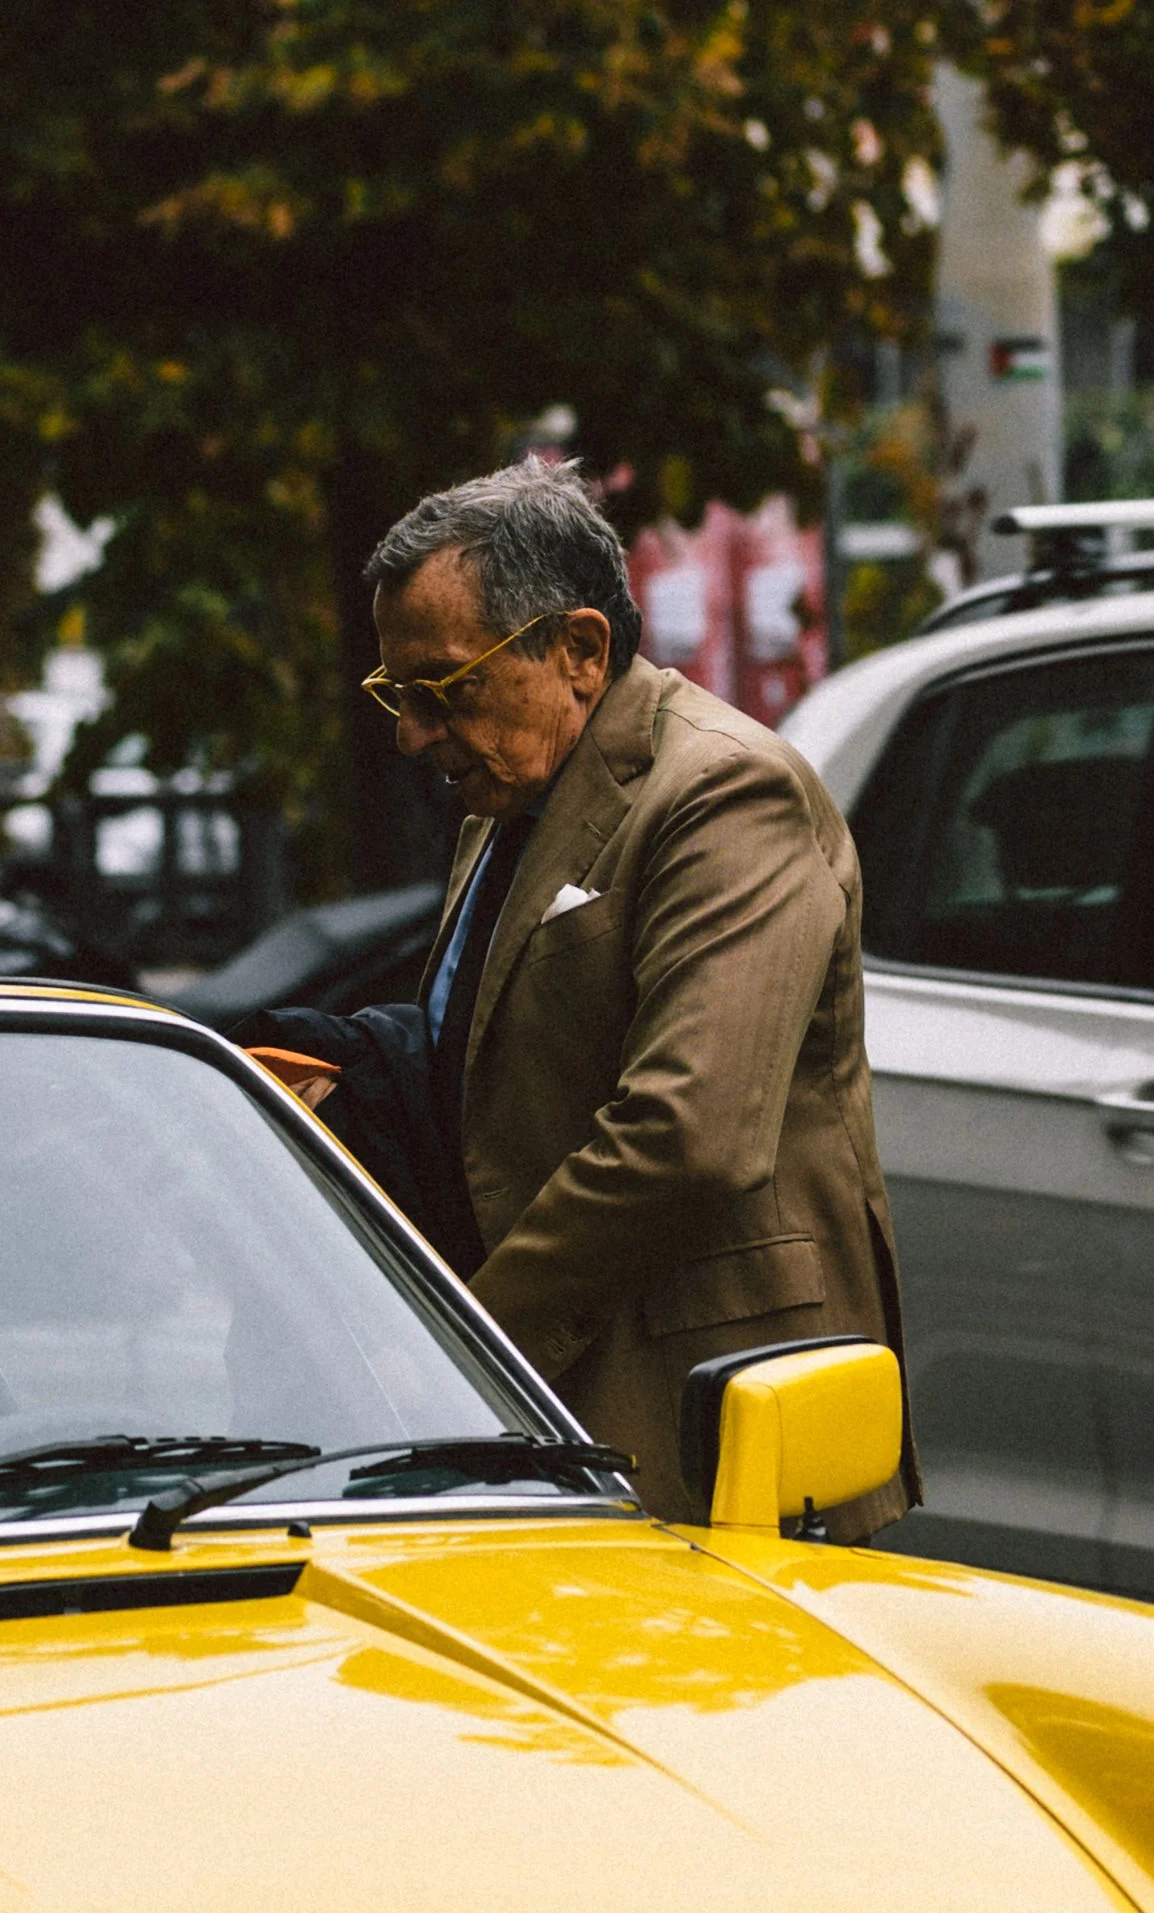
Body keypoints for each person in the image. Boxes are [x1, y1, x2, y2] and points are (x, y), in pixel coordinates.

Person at [353, 456, 917, 1539]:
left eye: (444, 687)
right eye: (396, 692)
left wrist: (463, 1338)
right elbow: (509, 1047)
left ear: (579, 651)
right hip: (577, 1419)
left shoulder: (724, 790)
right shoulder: (506, 794)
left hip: (716, 1421)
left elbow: (688, 1135)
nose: (411, 732)